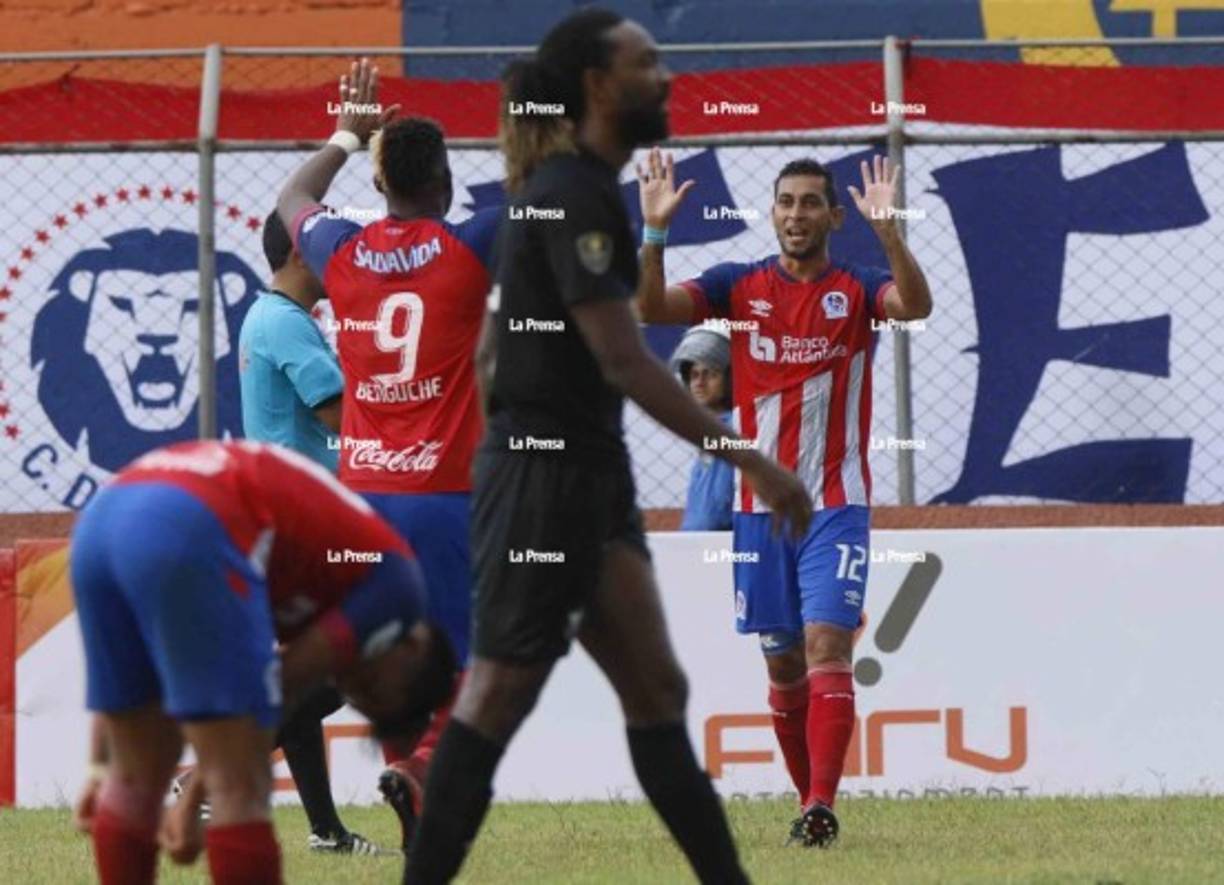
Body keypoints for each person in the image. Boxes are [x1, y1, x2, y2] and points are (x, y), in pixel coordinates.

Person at [403, 9, 812, 883]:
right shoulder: (576, 191)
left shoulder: (566, 186)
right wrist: (753, 461)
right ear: (598, 85)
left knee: (656, 691)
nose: (664, 79)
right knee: (496, 695)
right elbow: (622, 357)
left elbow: (487, 354)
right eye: (646, 63)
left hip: (580, 479)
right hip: (548, 483)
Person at [635, 148, 934, 846]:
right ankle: (808, 801)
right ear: (771, 212)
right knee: (781, 661)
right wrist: (653, 235)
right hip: (755, 512)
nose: (795, 214)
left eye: (809, 203)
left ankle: (823, 803)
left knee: (828, 643)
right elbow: (650, 308)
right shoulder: (737, 285)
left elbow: (915, 306)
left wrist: (890, 232)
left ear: (834, 216)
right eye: (785, 202)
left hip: (835, 504)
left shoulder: (858, 287)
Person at [276, 60, 500, 849]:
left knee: (377, 660)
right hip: (440, 493)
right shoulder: (471, 243)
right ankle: (421, 768)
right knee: (473, 661)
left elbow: (292, 200)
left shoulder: (340, 249)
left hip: (361, 494)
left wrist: (345, 133)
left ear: (379, 186)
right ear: (443, 183)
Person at [69, 440, 455, 885]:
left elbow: (130, 681)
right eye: (373, 690)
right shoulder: (397, 588)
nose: (354, 688)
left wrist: (99, 768)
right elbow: (277, 687)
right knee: (242, 784)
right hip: (191, 522)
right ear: (412, 649)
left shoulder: (356, 571)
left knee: (133, 777)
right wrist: (195, 800)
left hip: (103, 519)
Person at [232, 209, 382, 854]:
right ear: (299, 254)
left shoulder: (278, 317)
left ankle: (328, 833)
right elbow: (339, 413)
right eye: (324, 245)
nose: (339, 255)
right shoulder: (286, 323)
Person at [670, 323, 734, 531]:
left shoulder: (735, 426)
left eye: (710, 374)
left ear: (730, 380)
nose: (699, 382)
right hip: (699, 545)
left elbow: (714, 516)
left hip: (719, 545)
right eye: (694, 375)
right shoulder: (710, 428)